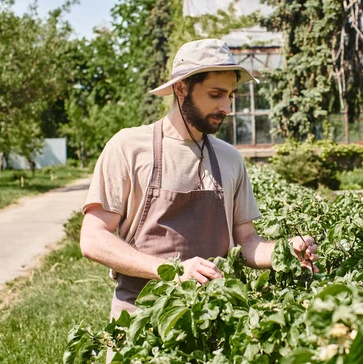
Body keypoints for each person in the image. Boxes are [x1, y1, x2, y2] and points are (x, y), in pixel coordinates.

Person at [80, 39, 318, 319]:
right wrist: (173, 271)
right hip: (141, 317)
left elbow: (247, 243)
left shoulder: (230, 158)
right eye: (215, 94)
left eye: (230, 95)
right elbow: (93, 239)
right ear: (182, 88)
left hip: (215, 315)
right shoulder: (129, 147)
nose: (226, 107)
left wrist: (285, 251)